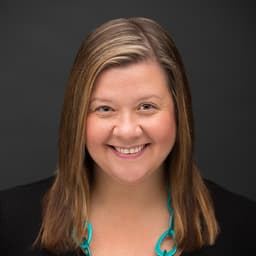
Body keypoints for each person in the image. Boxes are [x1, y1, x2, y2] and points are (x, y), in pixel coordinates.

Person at [0, 17, 255, 256]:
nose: (127, 131)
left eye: (146, 106)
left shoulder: (245, 227)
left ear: (180, 111)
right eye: (104, 109)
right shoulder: (8, 221)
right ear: (76, 118)